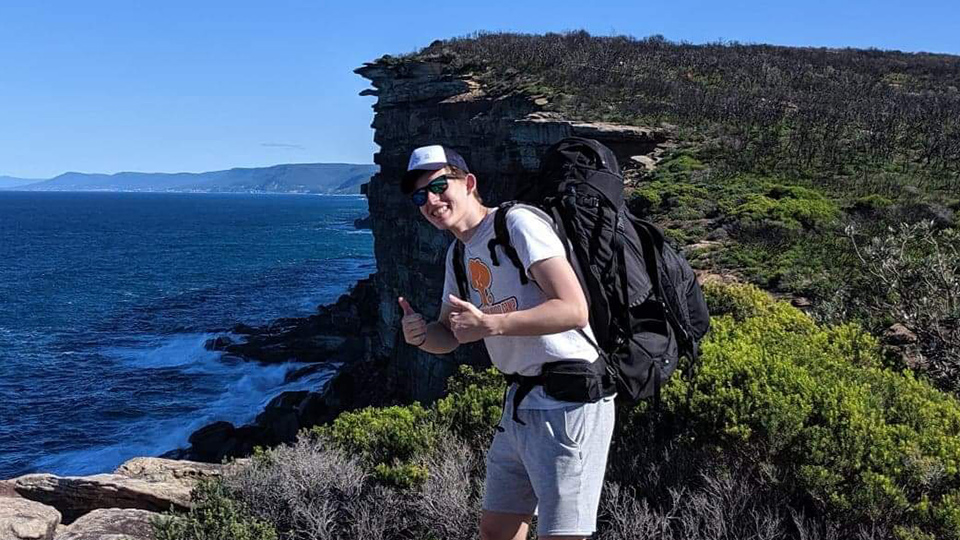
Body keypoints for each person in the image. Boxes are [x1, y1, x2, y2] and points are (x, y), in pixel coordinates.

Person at [397, 145, 615, 540]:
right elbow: (451, 334)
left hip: (569, 400)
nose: (431, 200)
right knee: (495, 532)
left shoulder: (517, 225)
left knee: (564, 535)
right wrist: (422, 336)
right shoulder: (458, 255)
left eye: (439, 185)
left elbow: (573, 309)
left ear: (469, 183)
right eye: (419, 196)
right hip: (520, 403)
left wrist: (492, 325)